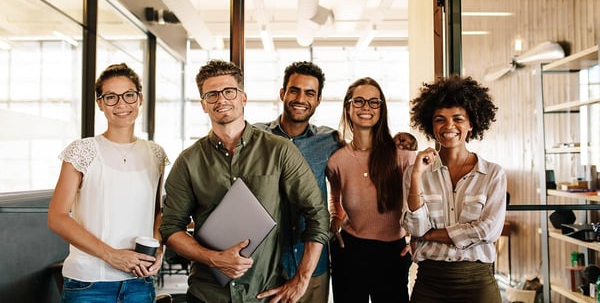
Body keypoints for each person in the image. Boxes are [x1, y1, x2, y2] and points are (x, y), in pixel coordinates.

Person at [159, 59, 330, 303]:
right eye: (212, 94)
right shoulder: (188, 161)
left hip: (265, 294)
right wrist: (213, 258)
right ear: (203, 105)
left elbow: (317, 214)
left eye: (229, 91)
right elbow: (171, 229)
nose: (221, 99)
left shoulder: (279, 151)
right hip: (207, 295)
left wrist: (301, 279)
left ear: (243, 97)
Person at [47, 63, 168, 302]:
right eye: (111, 97)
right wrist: (111, 255)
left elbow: (157, 213)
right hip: (89, 283)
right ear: (100, 103)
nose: (121, 104)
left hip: (138, 283)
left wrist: (159, 250)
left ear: (140, 99)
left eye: (129, 95)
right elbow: (57, 217)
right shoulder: (82, 150)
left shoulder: (156, 154)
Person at [402, 74, 506, 302]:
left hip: (477, 283)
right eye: (440, 119)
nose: (449, 126)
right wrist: (417, 175)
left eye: (458, 118)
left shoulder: (493, 174)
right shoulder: (415, 172)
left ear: (471, 124)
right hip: (429, 283)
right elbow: (415, 226)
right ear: (431, 125)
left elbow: (488, 231)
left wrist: (430, 235)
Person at [254, 61, 342, 303]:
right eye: (294, 90)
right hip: (265, 266)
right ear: (283, 93)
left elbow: (360, 169)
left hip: (312, 266)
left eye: (309, 93)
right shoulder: (256, 137)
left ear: (318, 100)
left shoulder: (330, 140)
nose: (300, 98)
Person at [326, 77, 416, 302]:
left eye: (374, 102)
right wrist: (336, 217)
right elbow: (335, 193)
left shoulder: (402, 155)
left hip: (392, 253)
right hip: (349, 251)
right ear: (348, 107)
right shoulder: (337, 160)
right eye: (359, 101)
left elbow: (424, 200)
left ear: (381, 109)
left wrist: (420, 238)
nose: (366, 107)